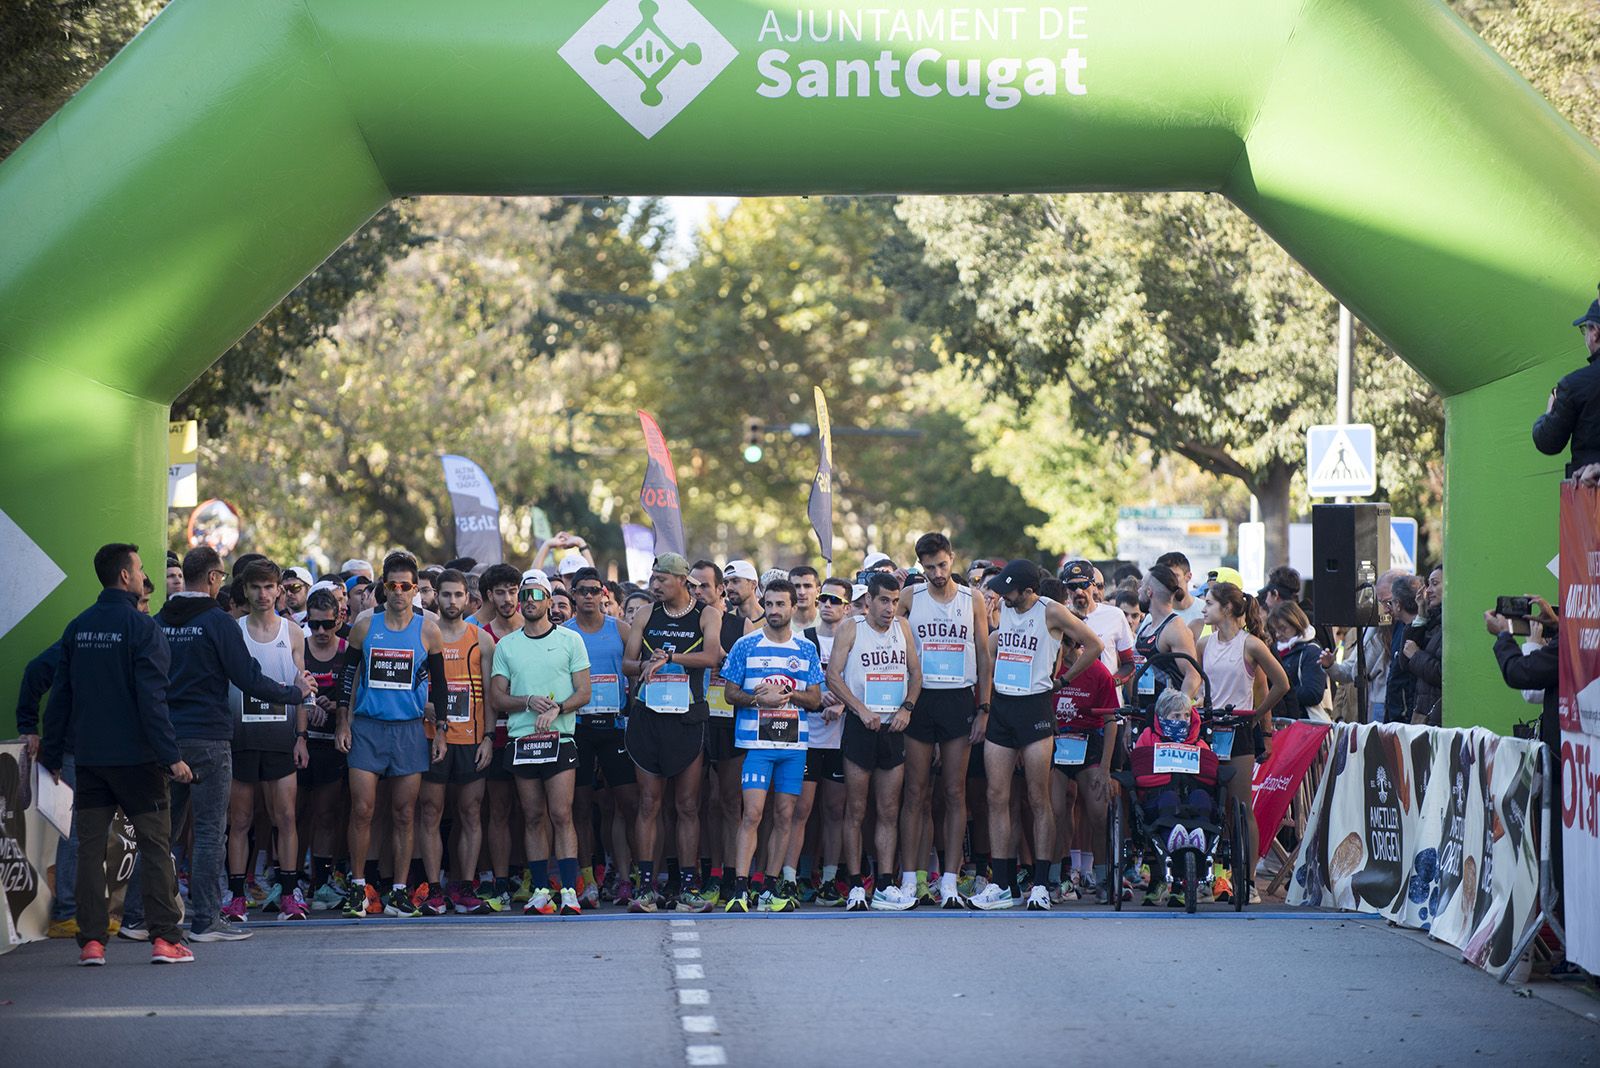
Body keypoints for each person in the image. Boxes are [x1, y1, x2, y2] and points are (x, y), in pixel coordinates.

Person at [39, 543, 195, 966]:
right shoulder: (143, 629)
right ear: (125, 577)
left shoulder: (79, 627)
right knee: (156, 846)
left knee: (89, 850)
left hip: (89, 759)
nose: (145, 576)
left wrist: (52, 753)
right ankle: (165, 939)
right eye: (141, 569)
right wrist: (171, 756)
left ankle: (91, 942)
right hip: (139, 762)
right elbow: (153, 700)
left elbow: (61, 698)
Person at [972, 560, 1102, 911]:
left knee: (1037, 797)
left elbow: (1093, 645)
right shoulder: (1003, 610)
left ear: (1029, 590)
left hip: (1035, 708)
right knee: (996, 795)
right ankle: (1001, 884)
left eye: (1009, 590)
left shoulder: (1052, 611)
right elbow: (991, 647)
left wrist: (1064, 680)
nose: (1003, 595)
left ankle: (1042, 884)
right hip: (1003, 707)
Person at [335, 551, 451, 919]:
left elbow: (441, 687)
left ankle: (399, 891)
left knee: (404, 813)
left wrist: (442, 731)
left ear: (415, 589)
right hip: (368, 727)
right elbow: (347, 677)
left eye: (405, 586)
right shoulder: (366, 626)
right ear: (383, 588)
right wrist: (342, 722)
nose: (398, 592)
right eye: (392, 585)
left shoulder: (428, 629)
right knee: (363, 809)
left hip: (409, 730)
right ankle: (357, 888)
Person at [623, 553, 723, 913]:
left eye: (662, 580)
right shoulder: (648, 613)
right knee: (649, 803)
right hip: (648, 717)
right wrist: (645, 665)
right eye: (653, 580)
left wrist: (671, 658)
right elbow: (627, 663)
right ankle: (646, 888)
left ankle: (687, 888)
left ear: (682, 580)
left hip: (687, 718)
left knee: (687, 805)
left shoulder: (706, 614)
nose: (655, 586)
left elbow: (712, 657)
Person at [488, 569, 591, 916]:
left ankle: (568, 890)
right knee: (532, 816)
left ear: (549, 600)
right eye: (524, 595)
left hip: (559, 738)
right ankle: (541, 889)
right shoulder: (506, 645)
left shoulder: (570, 640)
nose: (528, 601)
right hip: (522, 740)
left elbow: (584, 691)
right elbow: (498, 698)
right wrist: (527, 701)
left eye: (536, 595)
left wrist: (558, 708)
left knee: (562, 814)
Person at [719, 578, 824, 912]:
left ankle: (769, 886)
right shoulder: (746, 645)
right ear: (763, 605)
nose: (775, 610)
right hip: (756, 744)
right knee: (751, 813)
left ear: (794, 607)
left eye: (782, 604)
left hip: (793, 748)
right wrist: (757, 699)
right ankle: (740, 888)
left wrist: (789, 695)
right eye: (771, 604)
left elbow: (816, 698)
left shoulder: (806, 648)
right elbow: (729, 692)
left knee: (785, 815)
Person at [219, 558, 313, 922]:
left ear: (279, 590)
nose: (262, 594)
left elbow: (302, 687)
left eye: (269, 587)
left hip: (281, 737)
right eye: (255, 587)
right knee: (239, 820)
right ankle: (237, 896)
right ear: (245, 590)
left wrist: (301, 736)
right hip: (241, 738)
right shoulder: (232, 629)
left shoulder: (292, 632)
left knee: (285, 817)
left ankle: (290, 894)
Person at [900, 532, 991, 908]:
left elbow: (984, 654)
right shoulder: (910, 598)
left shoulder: (974, 599)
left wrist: (983, 708)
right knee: (915, 792)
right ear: (920, 566)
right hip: (920, 698)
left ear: (952, 558)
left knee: (954, 792)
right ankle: (911, 879)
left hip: (958, 697)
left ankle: (950, 881)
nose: (937, 573)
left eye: (942, 564)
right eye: (929, 567)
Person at [827, 572, 922, 911]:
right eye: (884, 600)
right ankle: (855, 885)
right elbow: (833, 675)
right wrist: (860, 709)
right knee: (855, 809)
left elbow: (916, 673)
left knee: (888, 809)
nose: (890, 608)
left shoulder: (903, 629)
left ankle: (884, 884)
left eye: (895, 602)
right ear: (868, 600)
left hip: (893, 727)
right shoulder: (852, 628)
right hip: (861, 725)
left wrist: (908, 708)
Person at [1196, 582, 1288, 905]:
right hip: (1208, 729)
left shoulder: (1250, 644)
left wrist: (1257, 717)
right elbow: (1193, 682)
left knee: (1240, 806)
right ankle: (1211, 878)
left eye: (1208, 604)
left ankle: (1247, 880)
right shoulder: (1204, 644)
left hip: (1238, 730)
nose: (1203, 609)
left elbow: (1280, 683)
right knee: (1208, 807)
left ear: (1229, 609)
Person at [418, 569, 497, 915]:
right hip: (430, 736)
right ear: (436, 595)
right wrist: (426, 706)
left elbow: (492, 697)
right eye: (446, 595)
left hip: (471, 738)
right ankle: (434, 888)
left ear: (469, 598)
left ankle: (466, 887)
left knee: (470, 813)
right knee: (431, 812)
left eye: (458, 595)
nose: (452, 601)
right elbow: (408, 685)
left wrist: (489, 738)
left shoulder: (483, 640)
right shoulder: (422, 635)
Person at [565, 566, 637, 910]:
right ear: (573, 595)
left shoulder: (620, 630)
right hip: (576, 727)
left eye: (595, 590)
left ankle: (624, 878)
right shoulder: (563, 633)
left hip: (615, 727)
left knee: (626, 804)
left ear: (604, 594)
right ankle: (587, 881)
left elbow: (640, 668)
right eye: (583, 591)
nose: (589, 596)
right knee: (579, 807)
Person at [787, 575, 852, 906]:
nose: (827, 604)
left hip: (841, 738)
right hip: (808, 735)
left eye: (835, 600)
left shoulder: (853, 639)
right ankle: (791, 877)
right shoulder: (804, 640)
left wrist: (842, 703)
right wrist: (814, 699)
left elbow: (863, 682)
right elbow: (791, 687)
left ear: (848, 607)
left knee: (835, 811)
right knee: (801, 810)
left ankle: (829, 880)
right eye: (823, 598)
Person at [691, 559, 747, 907]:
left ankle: (729, 875)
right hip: (692, 719)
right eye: (692, 586)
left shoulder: (739, 627)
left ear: (720, 590)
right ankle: (703, 873)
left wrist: (722, 662)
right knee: (697, 803)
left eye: (704, 587)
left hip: (728, 721)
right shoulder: (682, 623)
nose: (697, 593)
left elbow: (745, 676)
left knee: (728, 802)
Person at [300, 587, 354, 911]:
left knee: (325, 815)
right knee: (293, 815)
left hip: (333, 744)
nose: (321, 632)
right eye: (315, 624)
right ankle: (287, 879)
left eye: (327, 624)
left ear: (339, 621)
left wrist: (336, 706)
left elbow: (357, 694)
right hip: (300, 742)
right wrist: (306, 703)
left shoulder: (348, 649)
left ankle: (321, 881)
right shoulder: (299, 647)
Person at [1532, 291, 1600, 476]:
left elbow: (1548, 442)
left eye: (1585, 329)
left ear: (1595, 333)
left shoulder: (1574, 385)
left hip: (1589, 495)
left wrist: (1549, 412)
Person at [1321, 569, 1402, 723]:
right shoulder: (1373, 631)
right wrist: (1331, 666)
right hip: (1374, 706)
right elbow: (1352, 671)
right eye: (1381, 602)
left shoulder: (1411, 629)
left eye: (1389, 602)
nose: (1385, 608)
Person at [1265, 601, 1329, 720]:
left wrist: (1280, 693)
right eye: (1275, 631)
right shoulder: (1274, 650)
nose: (1278, 635)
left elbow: (1313, 693)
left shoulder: (1311, 651)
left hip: (1306, 722)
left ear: (1296, 624)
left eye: (1283, 628)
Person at [1399, 567, 1444, 725]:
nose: (1429, 590)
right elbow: (1404, 661)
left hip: (1437, 717)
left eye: (1435, 583)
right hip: (1424, 713)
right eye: (1428, 585)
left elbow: (1443, 675)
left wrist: (1416, 655)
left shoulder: (1448, 627)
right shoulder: (1432, 621)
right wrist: (1421, 615)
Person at [1382, 574, 1425, 724]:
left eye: (1390, 602)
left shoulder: (1421, 631)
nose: (1388, 609)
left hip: (1406, 720)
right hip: (1396, 717)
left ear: (1399, 604)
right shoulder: (1400, 627)